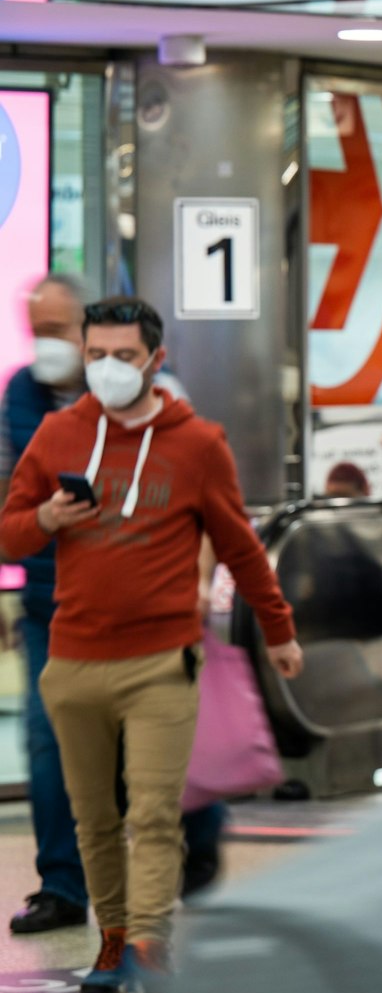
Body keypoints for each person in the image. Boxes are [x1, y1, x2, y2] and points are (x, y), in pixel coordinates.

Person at [0, 297, 302, 993]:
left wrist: (279, 627)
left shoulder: (198, 443)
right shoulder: (57, 434)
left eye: (123, 356)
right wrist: (45, 517)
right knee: (93, 817)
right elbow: (10, 534)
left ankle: (149, 941)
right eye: (95, 354)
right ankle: (111, 938)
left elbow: (239, 544)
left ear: (156, 361)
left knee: (157, 812)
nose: (107, 368)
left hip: (161, 660)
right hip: (73, 660)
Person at [0, 277, 221, 938]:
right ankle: (63, 885)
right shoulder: (20, 395)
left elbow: (207, 504)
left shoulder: (162, 397)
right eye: (36, 327)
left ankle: (200, 837)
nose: (49, 344)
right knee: (48, 748)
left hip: (151, 616)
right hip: (53, 609)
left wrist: (202, 578)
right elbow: (8, 496)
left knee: (152, 764)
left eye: (60, 329)